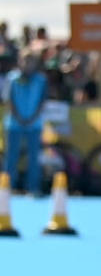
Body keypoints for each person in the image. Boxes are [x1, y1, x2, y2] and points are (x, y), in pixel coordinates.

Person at [3, 49, 47, 195]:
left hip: (34, 124)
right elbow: (9, 100)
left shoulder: (41, 80)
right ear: (20, 61)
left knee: (34, 157)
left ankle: (33, 187)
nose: (27, 64)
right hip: (15, 124)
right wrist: (19, 118)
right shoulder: (12, 78)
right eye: (25, 60)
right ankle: (8, 187)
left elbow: (42, 101)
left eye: (31, 61)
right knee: (12, 156)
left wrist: (32, 118)